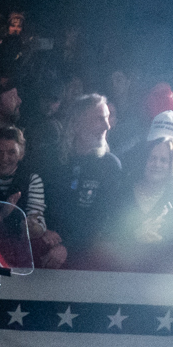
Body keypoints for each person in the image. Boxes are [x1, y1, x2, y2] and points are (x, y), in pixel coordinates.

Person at [41, 93, 123, 258]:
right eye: (99, 119)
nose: (107, 126)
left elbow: (103, 221)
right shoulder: (52, 160)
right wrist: (41, 229)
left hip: (85, 258)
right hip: (45, 251)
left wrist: (68, 248)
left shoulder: (110, 166)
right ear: (76, 124)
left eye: (107, 118)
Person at [105, 132, 173, 253]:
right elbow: (107, 234)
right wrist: (134, 237)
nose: (157, 164)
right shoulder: (123, 191)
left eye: (163, 160)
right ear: (145, 160)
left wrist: (161, 243)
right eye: (153, 158)